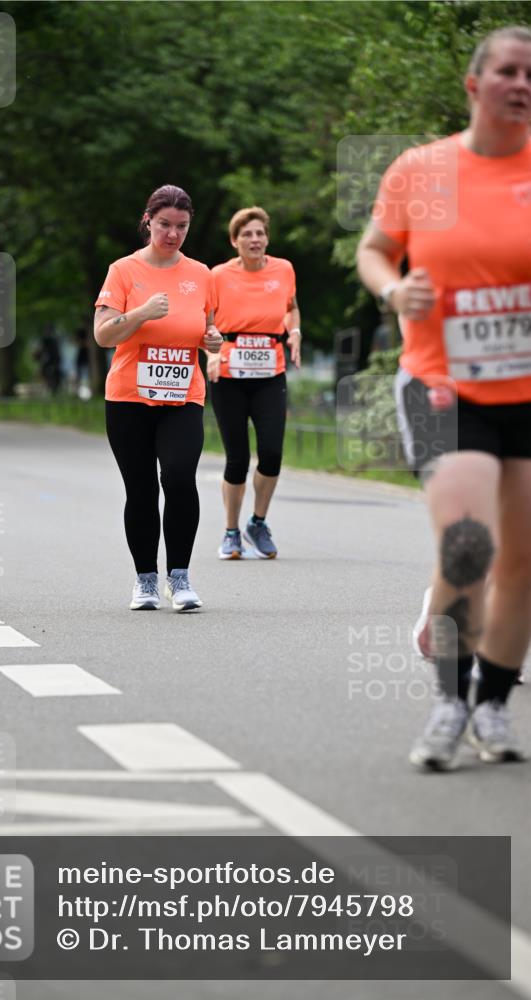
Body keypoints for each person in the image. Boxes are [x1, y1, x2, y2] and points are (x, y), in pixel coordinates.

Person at [357, 25, 531, 769]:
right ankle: (448, 701)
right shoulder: (419, 170)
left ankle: (492, 704)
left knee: (520, 561)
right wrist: (395, 287)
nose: (521, 84)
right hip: (439, 383)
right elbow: (373, 249)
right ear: (473, 84)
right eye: (507, 71)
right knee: (467, 547)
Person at [94, 184, 222, 611]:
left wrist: (213, 340)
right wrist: (141, 313)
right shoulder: (123, 270)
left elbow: (205, 329)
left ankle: (180, 578)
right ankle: (145, 580)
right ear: (148, 220)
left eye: (182, 226)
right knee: (142, 489)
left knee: (181, 478)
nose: (173, 234)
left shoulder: (202, 274)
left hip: (184, 395)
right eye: (165, 224)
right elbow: (103, 334)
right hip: (129, 397)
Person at [207, 207, 301, 559]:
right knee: (237, 457)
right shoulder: (218, 276)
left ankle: (257, 523)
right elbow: (205, 321)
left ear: (267, 238)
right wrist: (211, 353)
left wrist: (294, 332)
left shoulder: (284, 269)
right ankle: (231, 531)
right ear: (235, 241)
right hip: (229, 376)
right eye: (247, 234)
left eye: (260, 233)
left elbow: (291, 307)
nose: (255, 239)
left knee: (273, 454)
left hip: (270, 374)